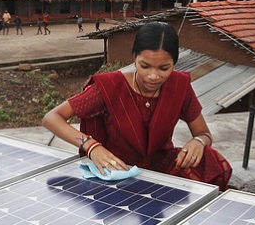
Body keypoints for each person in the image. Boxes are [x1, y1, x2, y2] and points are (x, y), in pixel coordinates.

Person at [43, 21, 232, 190]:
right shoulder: (109, 87)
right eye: (145, 66)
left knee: (210, 158)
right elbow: (52, 118)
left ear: (174, 63)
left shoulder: (179, 87)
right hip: (117, 168)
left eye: (164, 68)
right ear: (134, 58)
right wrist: (92, 147)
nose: (153, 76)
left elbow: (203, 134)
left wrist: (198, 142)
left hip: (161, 167)